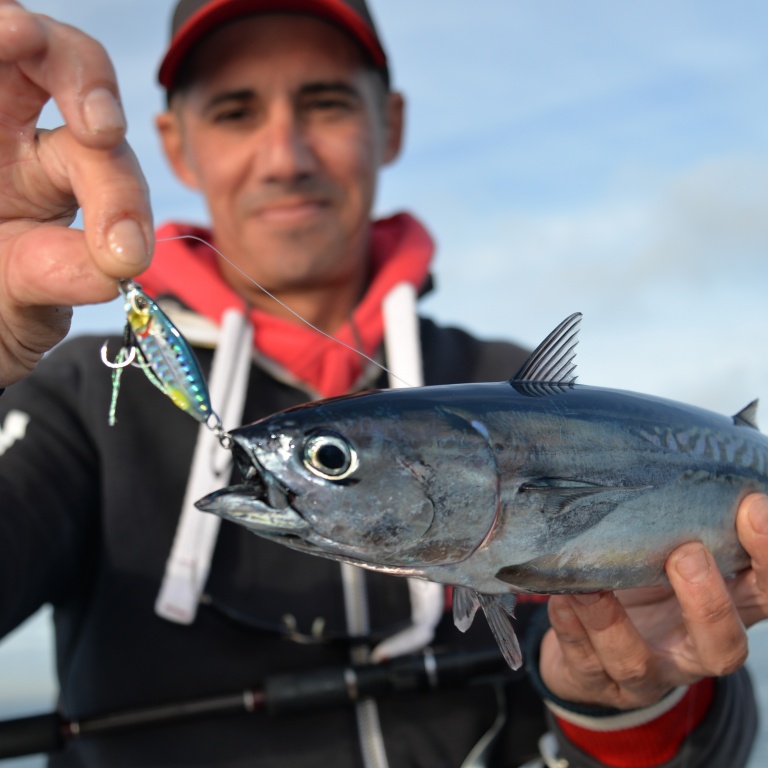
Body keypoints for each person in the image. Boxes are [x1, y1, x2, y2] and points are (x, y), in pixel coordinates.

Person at [0, 1, 767, 765]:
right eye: (236, 111)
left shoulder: (506, 382)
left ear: (390, 123)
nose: (284, 155)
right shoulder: (79, 394)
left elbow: (711, 746)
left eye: (325, 102)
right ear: (175, 144)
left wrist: (632, 700)